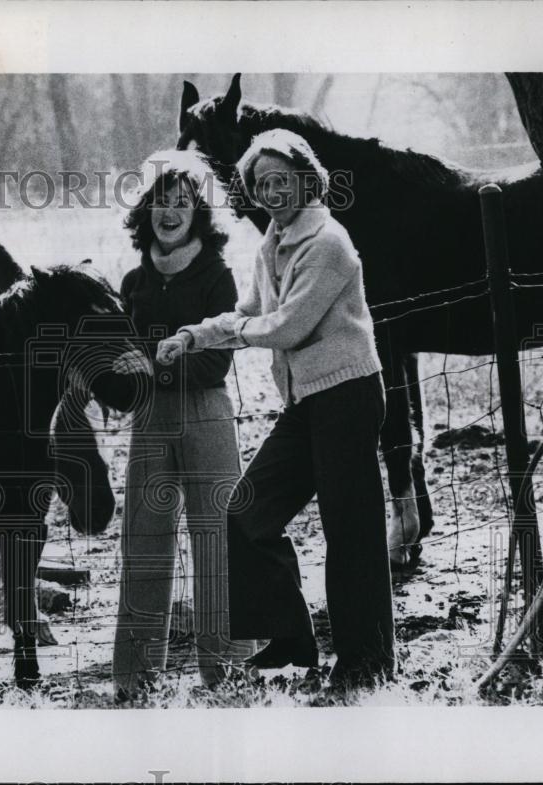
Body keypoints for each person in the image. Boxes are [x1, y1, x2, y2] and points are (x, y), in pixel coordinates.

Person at [156, 129, 395, 690]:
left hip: (347, 395)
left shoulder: (328, 242)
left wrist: (235, 330)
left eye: (280, 180)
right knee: (244, 512)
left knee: (351, 532)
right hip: (308, 400)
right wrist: (194, 335)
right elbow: (248, 311)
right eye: (260, 184)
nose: (271, 192)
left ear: (306, 177)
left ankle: (367, 664)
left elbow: (287, 326)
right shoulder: (274, 240)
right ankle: (290, 636)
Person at [111, 150, 254, 698]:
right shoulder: (133, 282)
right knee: (144, 540)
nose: (169, 213)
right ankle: (135, 678)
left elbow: (216, 359)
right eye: (159, 202)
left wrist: (152, 365)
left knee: (217, 537)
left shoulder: (217, 276)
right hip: (149, 423)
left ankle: (226, 671)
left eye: (182, 203)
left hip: (207, 415)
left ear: (200, 212)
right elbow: (121, 365)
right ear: (145, 209)